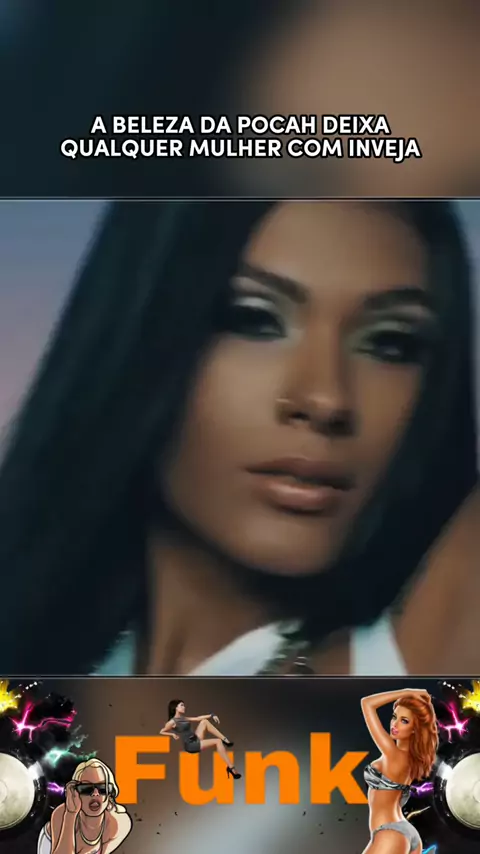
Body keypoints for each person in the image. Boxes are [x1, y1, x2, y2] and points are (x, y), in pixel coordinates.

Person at [0, 200, 477, 675]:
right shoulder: (44, 662)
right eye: (254, 320)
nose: (327, 400)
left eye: (391, 343)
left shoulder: (415, 669)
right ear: (139, 333)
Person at [360, 688, 438, 853]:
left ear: (415, 728)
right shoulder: (411, 759)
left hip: (391, 833)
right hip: (402, 832)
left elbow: (367, 703)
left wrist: (407, 691)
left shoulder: (394, 755)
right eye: (394, 717)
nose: (394, 725)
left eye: (404, 721)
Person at [37, 758, 132, 854]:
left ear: (110, 793)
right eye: (86, 789)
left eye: (102, 788)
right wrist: (70, 814)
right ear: (75, 791)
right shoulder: (61, 814)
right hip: (51, 844)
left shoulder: (119, 823)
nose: (95, 794)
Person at [160, 699, 241, 779]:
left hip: (195, 738)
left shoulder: (183, 718)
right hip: (191, 745)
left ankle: (225, 740)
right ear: (176, 708)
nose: (184, 707)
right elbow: (162, 731)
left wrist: (211, 715)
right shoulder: (172, 722)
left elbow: (198, 718)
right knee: (218, 741)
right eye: (181, 705)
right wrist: (172, 734)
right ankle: (232, 768)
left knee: (204, 721)